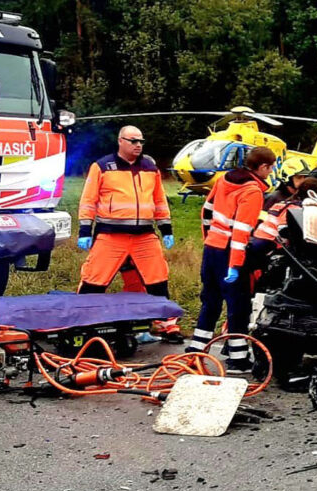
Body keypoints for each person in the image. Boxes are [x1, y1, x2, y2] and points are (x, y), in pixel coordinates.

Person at [76, 126, 182, 341]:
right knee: (94, 279)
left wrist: (166, 229)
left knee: (158, 279)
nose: (138, 145)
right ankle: (82, 323)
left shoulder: (150, 167)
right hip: (111, 234)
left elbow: (159, 201)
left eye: (141, 141)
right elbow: (88, 200)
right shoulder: (103, 166)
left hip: (144, 235)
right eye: (133, 141)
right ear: (120, 141)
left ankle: (166, 326)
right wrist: (85, 230)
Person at [189, 146, 276, 370]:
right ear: (263, 167)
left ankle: (196, 350)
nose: (271, 172)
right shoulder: (252, 191)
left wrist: (209, 239)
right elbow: (240, 232)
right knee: (238, 306)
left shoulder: (223, 180)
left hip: (212, 249)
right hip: (230, 253)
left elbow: (206, 211)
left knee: (210, 301)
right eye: (271, 167)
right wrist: (236, 265)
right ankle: (237, 358)